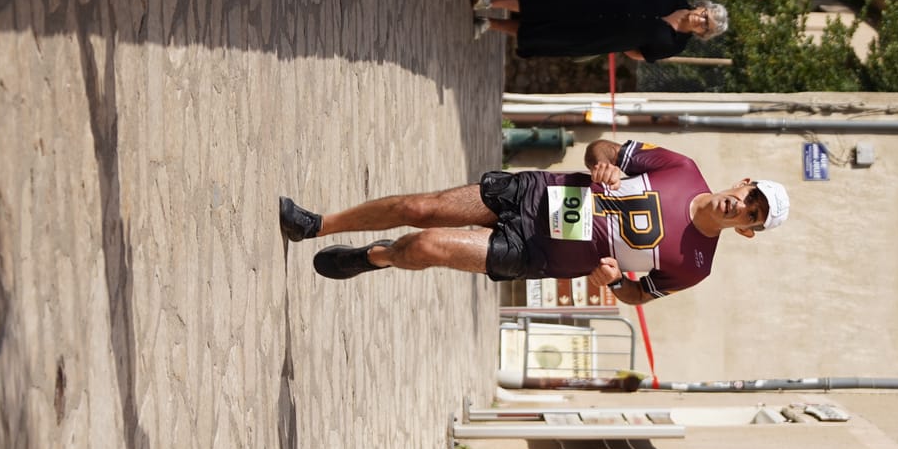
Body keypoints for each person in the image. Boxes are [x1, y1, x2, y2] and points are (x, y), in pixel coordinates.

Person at [277, 139, 789, 304]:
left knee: (425, 245)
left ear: (747, 230)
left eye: (754, 215)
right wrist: (604, 165)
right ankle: (316, 224)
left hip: (537, 253)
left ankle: (377, 256)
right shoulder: (681, 169)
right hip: (537, 193)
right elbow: (601, 147)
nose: (743, 206)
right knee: (420, 209)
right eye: (752, 196)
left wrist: (612, 282)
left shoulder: (694, 265)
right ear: (743, 182)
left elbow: (639, 295)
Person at [474, 0, 728, 59]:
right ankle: (490, 2)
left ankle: (490, 23)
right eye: (705, 15)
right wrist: (625, 2)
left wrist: (622, 38)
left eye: (706, 26)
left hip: (600, 37)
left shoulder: (676, 45)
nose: (701, 21)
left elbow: (638, 55)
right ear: (702, 7)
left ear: (702, 34)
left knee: (544, 34)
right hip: (599, 3)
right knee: (548, 3)